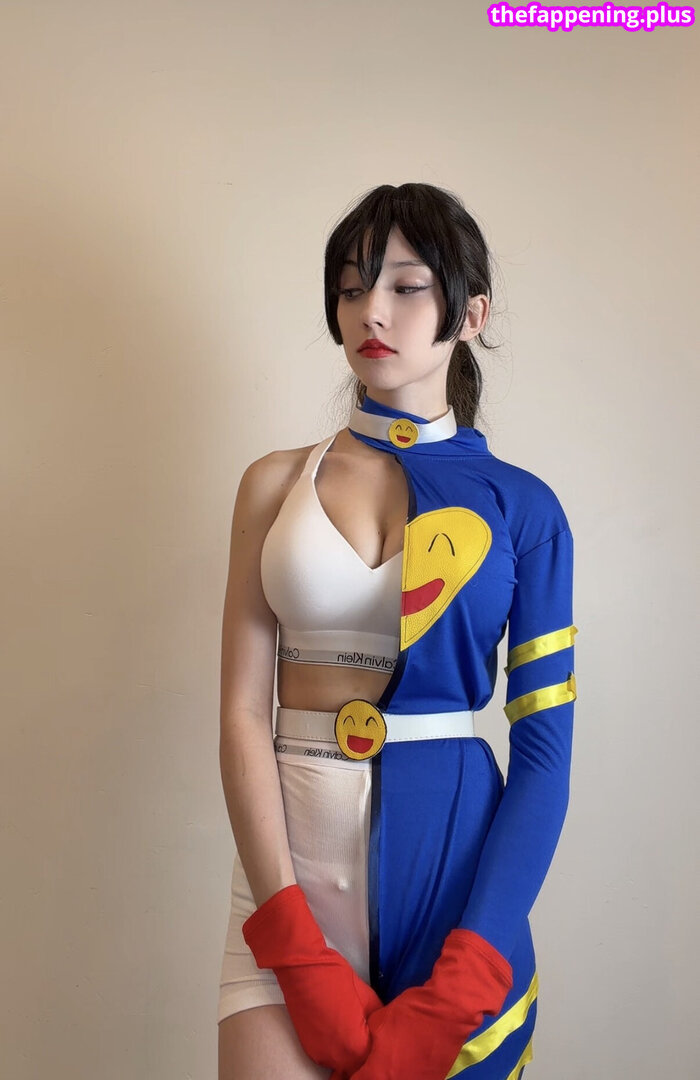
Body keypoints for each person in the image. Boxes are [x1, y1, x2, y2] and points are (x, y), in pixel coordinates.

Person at [217, 182, 577, 1080]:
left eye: (406, 286)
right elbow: (240, 715)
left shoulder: (525, 509)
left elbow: (544, 757)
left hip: (454, 903)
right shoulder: (273, 483)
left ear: (471, 313)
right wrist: (291, 940)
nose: (370, 311)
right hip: (285, 888)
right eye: (351, 286)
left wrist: (467, 978)